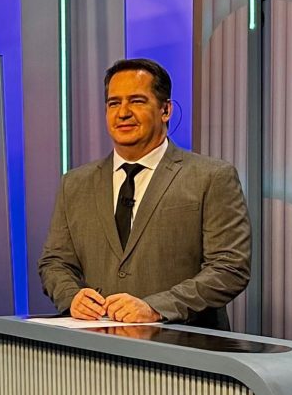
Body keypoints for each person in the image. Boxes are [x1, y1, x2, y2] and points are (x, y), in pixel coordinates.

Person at [37, 57, 251, 329]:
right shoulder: (75, 184)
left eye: (137, 101)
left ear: (166, 110)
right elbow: (54, 262)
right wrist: (72, 297)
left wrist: (156, 308)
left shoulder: (211, 177)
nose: (123, 112)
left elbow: (230, 268)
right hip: (97, 352)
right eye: (114, 103)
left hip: (186, 353)